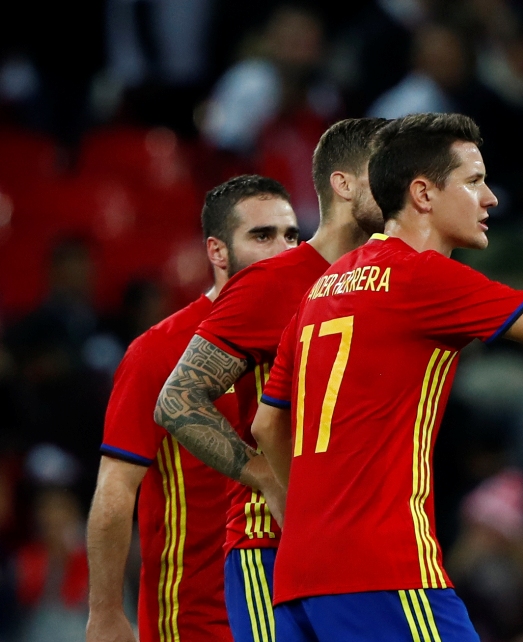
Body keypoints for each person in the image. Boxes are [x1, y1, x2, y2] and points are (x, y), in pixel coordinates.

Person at [250, 112, 523, 641]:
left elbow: (267, 426)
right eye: (474, 181)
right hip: (386, 570)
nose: (490, 198)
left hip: (300, 578)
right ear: (423, 194)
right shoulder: (420, 276)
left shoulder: (322, 289)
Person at [153, 117, 387, 642]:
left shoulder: (385, 281)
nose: (400, 185)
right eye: (385, 172)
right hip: (270, 545)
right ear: (344, 183)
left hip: (354, 547)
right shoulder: (272, 282)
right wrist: (263, 476)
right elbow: (177, 399)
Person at [86, 175, 300, 642]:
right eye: (262, 236)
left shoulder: (309, 335)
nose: (285, 249)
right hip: (196, 616)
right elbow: (116, 486)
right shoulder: (160, 350)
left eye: (292, 235)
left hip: (292, 605)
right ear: (217, 252)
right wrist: (104, 613)